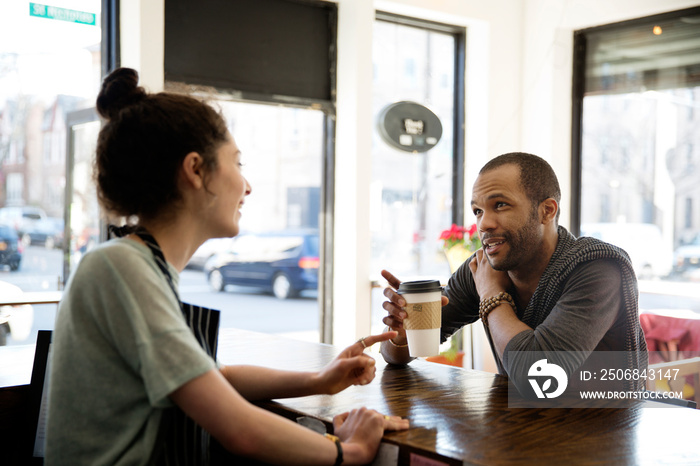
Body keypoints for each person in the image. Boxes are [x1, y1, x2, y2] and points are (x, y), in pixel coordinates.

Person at [45, 67, 408, 466]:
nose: (246, 186)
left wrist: (320, 380)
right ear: (196, 170)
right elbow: (239, 429)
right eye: (237, 163)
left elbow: (211, 378)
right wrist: (348, 451)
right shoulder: (120, 268)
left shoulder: (138, 265)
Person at [380, 152, 648, 395]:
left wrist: (492, 295)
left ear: (547, 210)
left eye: (500, 205)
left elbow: (539, 377)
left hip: (604, 433)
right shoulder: (483, 267)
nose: (483, 224)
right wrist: (404, 334)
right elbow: (394, 354)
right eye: (478, 211)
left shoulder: (597, 268)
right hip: (523, 430)